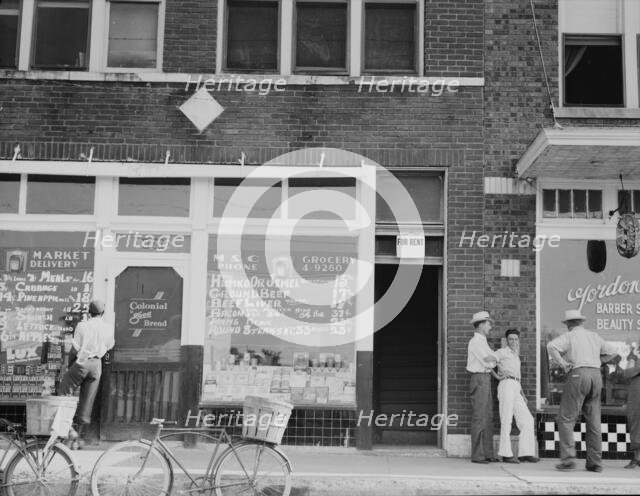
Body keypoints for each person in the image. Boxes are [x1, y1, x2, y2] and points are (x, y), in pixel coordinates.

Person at [547, 309, 619, 472]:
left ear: (569, 324)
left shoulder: (571, 336)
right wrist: (600, 361)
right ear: (581, 322)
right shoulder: (594, 336)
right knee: (594, 421)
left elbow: (551, 346)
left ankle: (568, 459)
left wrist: (563, 363)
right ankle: (595, 462)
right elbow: (613, 350)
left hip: (578, 374)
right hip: (596, 376)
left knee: (566, 418)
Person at [58, 299, 114, 447]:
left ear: (89, 313)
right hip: (97, 365)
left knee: (63, 394)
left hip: (82, 361)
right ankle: (79, 438)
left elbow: (75, 349)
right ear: (102, 313)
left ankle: (69, 431)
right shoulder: (108, 328)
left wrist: (68, 366)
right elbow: (109, 346)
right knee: (87, 402)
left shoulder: (83, 326)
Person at [492, 329, 538, 463]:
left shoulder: (515, 355)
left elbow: (517, 376)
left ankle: (525, 453)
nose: (513, 341)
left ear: (518, 341)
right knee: (506, 420)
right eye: (511, 339)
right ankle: (506, 454)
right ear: (506, 340)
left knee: (528, 420)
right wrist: (498, 377)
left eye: (516, 339)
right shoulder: (502, 352)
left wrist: (522, 393)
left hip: (516, 387)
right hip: (506, 385)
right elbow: (487, 363)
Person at [467, 311, 499, 464]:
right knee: (479, 416)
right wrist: (494, 360)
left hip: (485, 378)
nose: (490, 326)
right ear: (480, 324)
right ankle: (477, 455)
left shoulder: (483, 341)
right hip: (479, 378)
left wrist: (494, 360)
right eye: (488, 323)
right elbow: (488, 361)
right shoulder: (475, 342)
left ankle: (487, 453)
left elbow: (493, 359)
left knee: (488, 416)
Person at [620, 357, 640, 468]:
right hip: (636, 397)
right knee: (635, 425)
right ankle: (637, 457)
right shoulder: (634, 360)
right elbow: (626, 373)